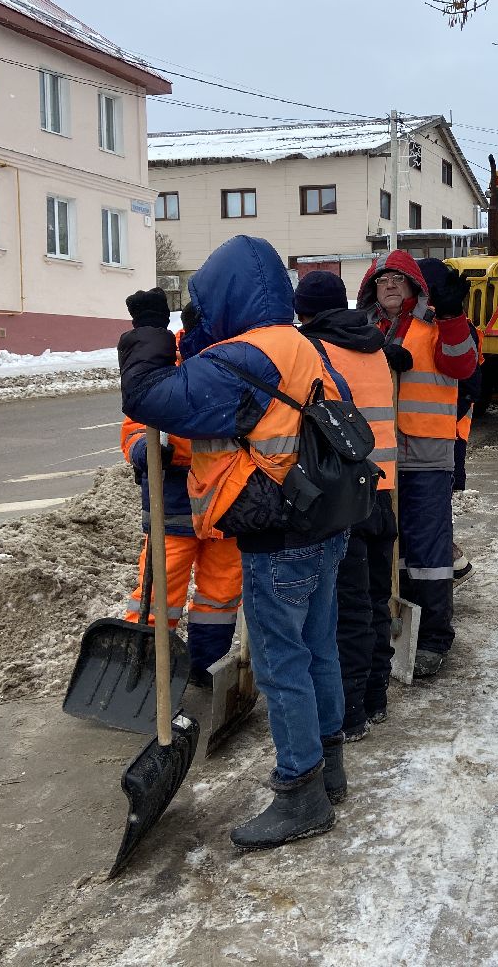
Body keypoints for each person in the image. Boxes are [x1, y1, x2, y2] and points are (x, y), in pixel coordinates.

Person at [119, 235, 353, 851]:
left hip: (277, 534)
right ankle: (330, 770)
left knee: (282, 665)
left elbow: (148, 397)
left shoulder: (249, 356)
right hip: (326, 524)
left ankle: (301, 791)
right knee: (318, 649)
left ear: (223, 295)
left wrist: (149, 331)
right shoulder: (301, 345)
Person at [357, 251, 477, 679]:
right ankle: (389, 627)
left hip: (426, 456)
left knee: (427, 552)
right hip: (375, 460)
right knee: (387, 551)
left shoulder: (438, 326)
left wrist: (454, 315)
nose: (389, 285)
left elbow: (463, 364)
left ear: (414, 287)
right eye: (382, 279)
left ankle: (432, 638)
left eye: (398, 280)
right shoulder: (364, 331)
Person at [292, 271, 396, 742]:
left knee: (347, 606)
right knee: (375, 597)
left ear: (304, 312)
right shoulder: (372, 345)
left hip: (346, 495)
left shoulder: (314, 351)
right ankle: (375, 697)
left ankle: (350, 711)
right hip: (383, 487)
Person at [118, 313, 242, 686]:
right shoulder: (165, 363)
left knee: (220, 595)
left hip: (227, 499)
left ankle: (206, 670)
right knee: (158, 591)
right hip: (174, 497)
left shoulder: (237, 358)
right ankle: (141, 672)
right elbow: (134, 426)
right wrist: (145, 448)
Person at [416, 258, 481, 588]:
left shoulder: (458, 329)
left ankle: (454, 565)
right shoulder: (417, 327)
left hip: (446, 436)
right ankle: (453, 565)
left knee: (435, 510)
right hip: (430, 437)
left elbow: (470, 384)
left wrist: (439, 421)